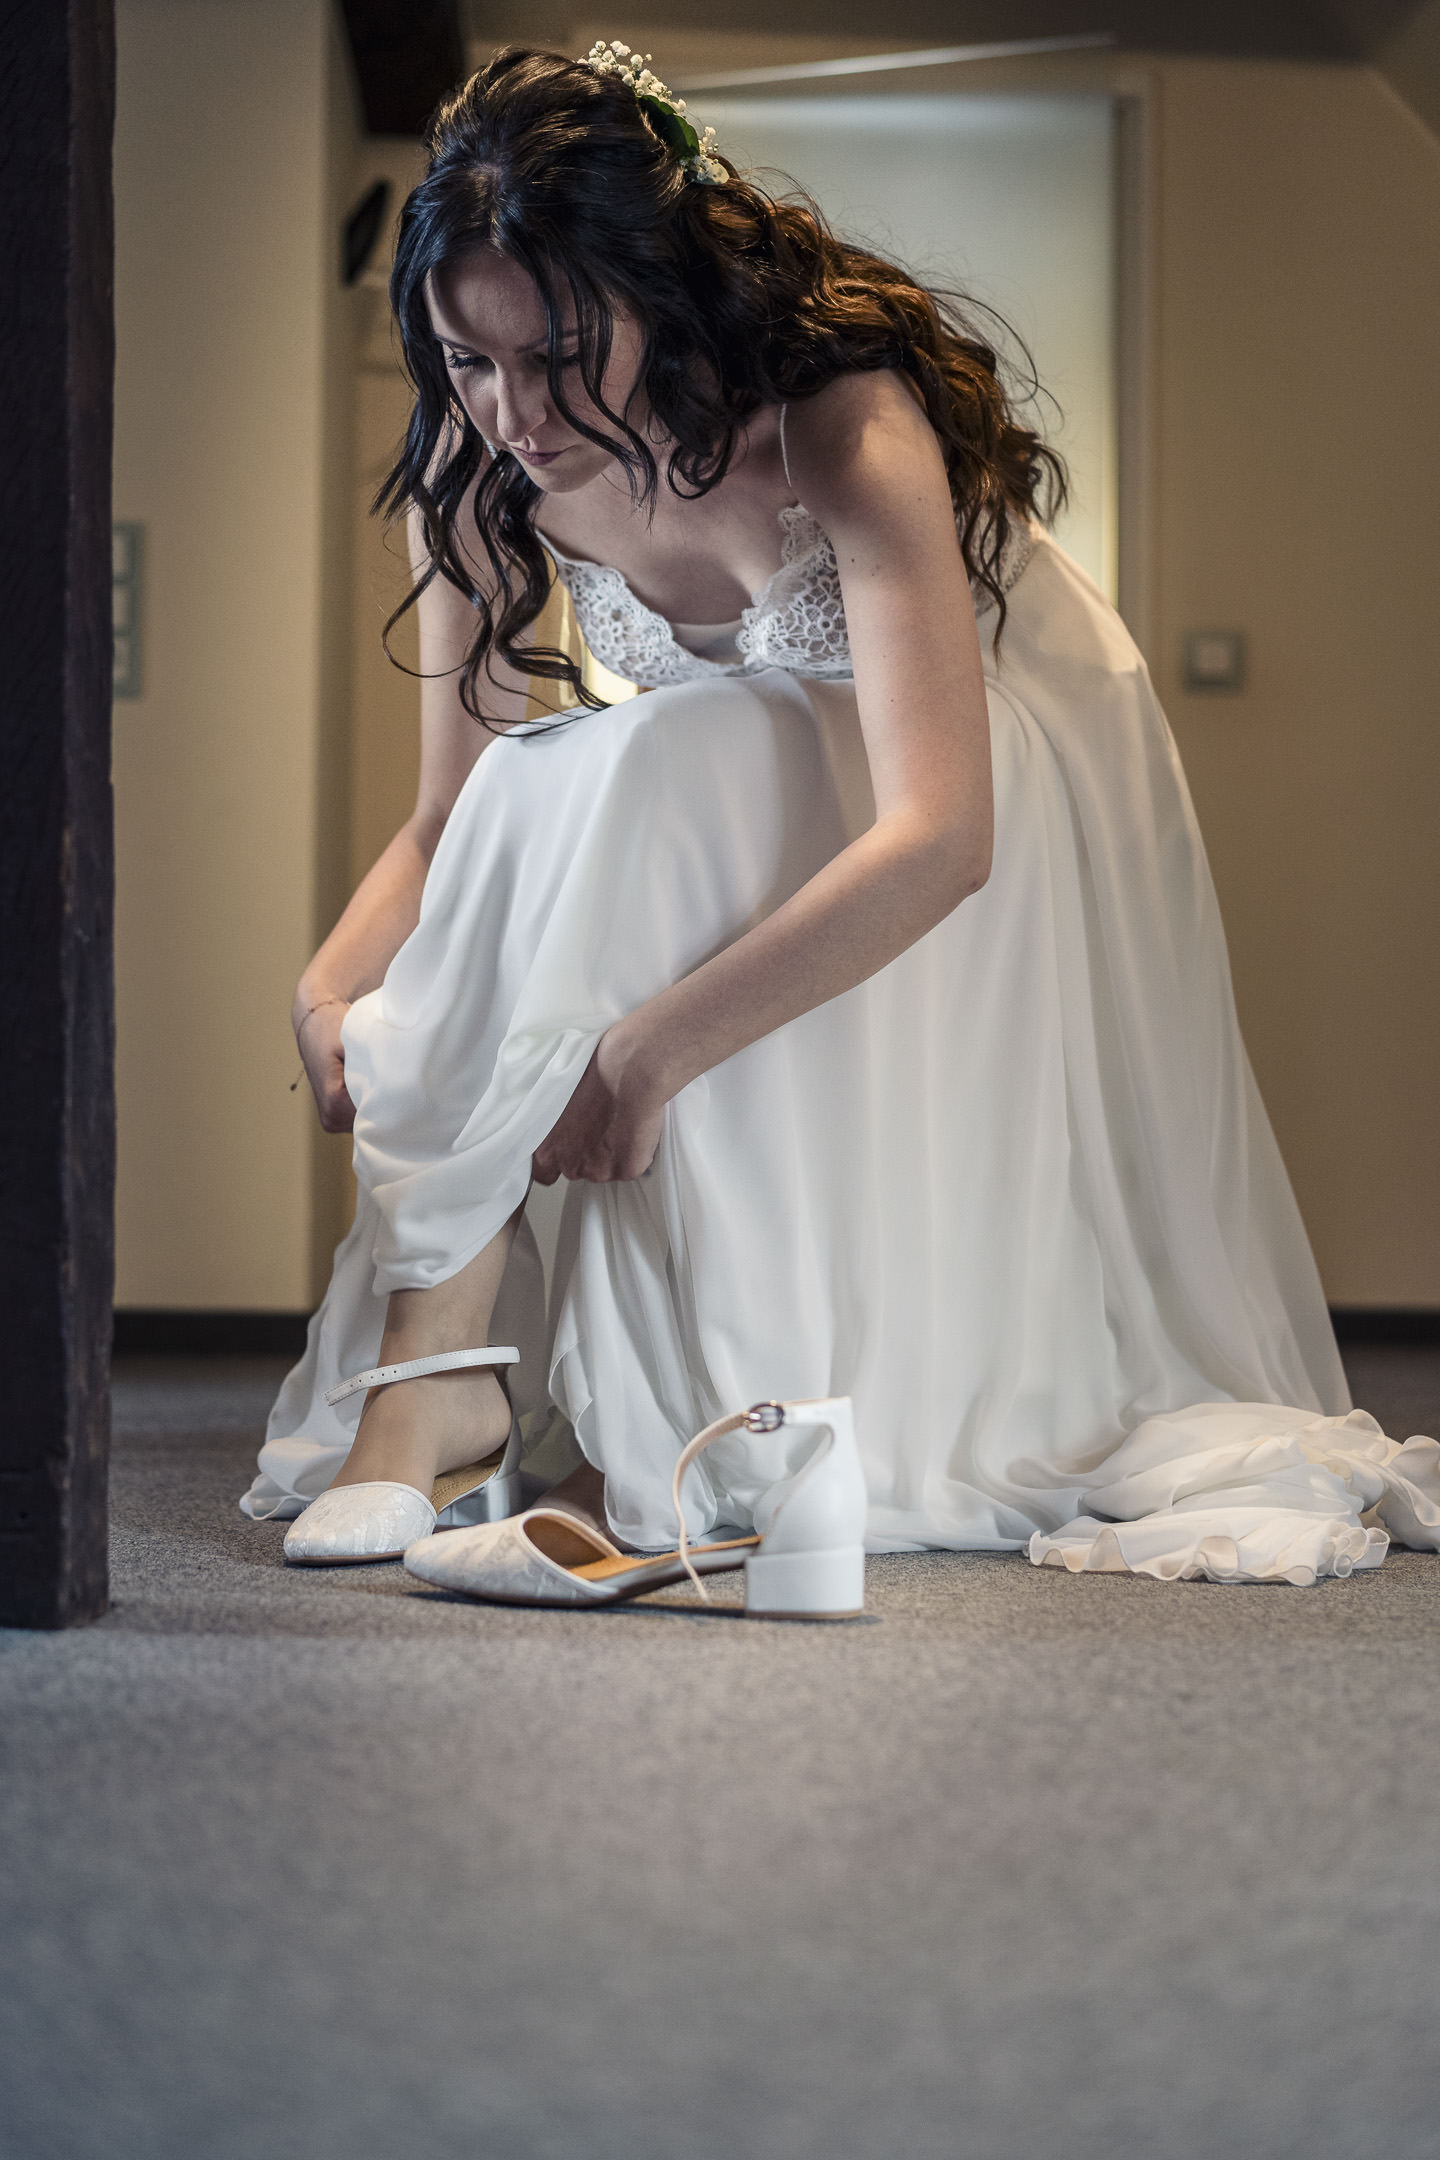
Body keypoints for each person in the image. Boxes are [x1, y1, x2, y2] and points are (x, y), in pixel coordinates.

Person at [243, 41, 1439, 1591]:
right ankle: (446, 1362)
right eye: (466, 361)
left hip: (970, 819)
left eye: (554, 356)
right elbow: (446, 818)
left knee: (636, 761)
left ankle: (437, 1383)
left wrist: (646, 1048)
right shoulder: (480, 474)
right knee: (578, 772)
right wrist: (334, 984)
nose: (511, 412)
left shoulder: (838, 415)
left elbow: (946, 832)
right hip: (760, 809)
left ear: (658, 291)